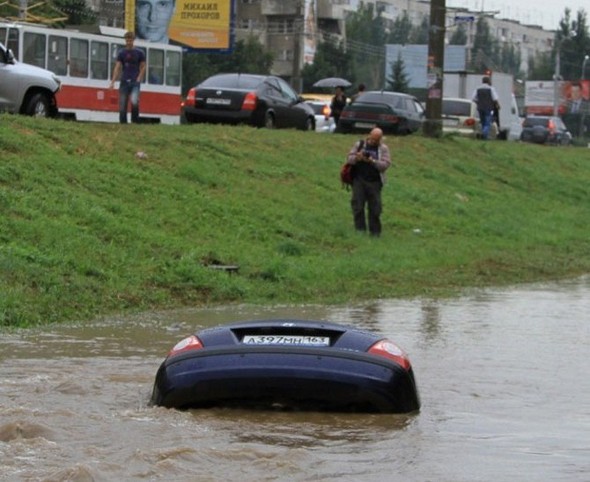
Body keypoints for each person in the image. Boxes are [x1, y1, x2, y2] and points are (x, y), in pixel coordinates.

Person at [345, 127, 391, 237]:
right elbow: (349, 159)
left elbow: (385, 165)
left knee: (375, 208)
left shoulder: (383, 149)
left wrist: (372, 161)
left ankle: (375, 233)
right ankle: (360, 230)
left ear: (380, 139)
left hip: (375, 182)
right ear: (369, 135)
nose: (373, 141)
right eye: (372, 139)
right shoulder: (359, 145)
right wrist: (357, 158)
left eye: (376, 140)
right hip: (359, 180)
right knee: (358, 206)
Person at [109, 32, 146, 124]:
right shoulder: (122, 53)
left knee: (134, 100)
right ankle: (123, 123)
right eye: (127, 40)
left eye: (130, 40)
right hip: (124, 80)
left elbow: (143, 66)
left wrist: (139, 78)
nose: (128, 42)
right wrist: (113, 81)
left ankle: (134, 120)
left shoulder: (139, 53)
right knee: (122, 103)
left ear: (133, 40)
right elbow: (117, 67)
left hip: (135, 81)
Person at [471, 76, 499, 140]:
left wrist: (478, 102)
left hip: (480, 108)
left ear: (482, 81)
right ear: (488, 81)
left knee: (483, 122)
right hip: (488, 108)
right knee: (487, 123)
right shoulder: (491, 89)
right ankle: (484, 133)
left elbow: (473, 98)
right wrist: (498, 105)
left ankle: (484, 137)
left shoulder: (478, 88)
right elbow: (495, 98)